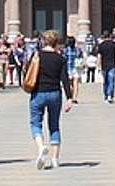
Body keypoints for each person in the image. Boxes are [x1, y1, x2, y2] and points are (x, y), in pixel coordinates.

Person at [24, 28, 76, 169]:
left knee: (35, 123)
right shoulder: (60, 59)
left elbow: (27, 71)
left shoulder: (36, 55)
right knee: (54, 125)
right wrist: (70, 98)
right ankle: (55, 159)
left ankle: (41, 147)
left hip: (38, 93)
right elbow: (65, 79)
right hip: (55, 93)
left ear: (43, 41)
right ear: (56, 43)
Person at [97, 30, 115, 104]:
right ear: (110, 36)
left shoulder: (101, 45)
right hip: (112, 65)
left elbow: (99, 56)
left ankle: (106, 96)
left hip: (104, 65)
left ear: (103, 37)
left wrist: (98, 66)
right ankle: (110, 96)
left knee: (106, 81)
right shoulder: (114, 44)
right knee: (111, 81)